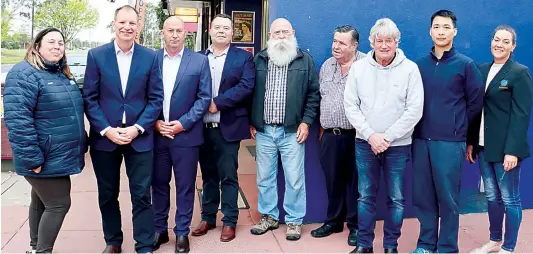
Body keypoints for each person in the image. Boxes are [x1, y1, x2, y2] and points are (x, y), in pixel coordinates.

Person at [83, 5, 164, 253]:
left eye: (132, 23)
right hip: (105, 139)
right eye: (122, 23)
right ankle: (113, 241)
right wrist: (107, 129)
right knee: (108, 194)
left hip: (139, 138)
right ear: (114, 24)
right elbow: (90, 98)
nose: (127, 27)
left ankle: (143, 244)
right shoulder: (96, 55)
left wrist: (138, 128)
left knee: (141, 195)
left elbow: (156, 99)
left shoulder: (150, 57)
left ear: (138, 26)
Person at [344, 18, 424, 253]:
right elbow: (350, 106)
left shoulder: (410, 69)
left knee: (397, 199)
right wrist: (371, 136)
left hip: (398, 146)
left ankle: (391, 246)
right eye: (380, 40)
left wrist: (387, 137)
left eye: (389, 40)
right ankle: (364, 245)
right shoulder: (359, 68)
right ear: (372, 42)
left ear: (397, 42)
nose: (385, 45)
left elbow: (414, 109)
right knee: (365, 196)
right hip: (365, 143)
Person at [3, 28, 87, 254]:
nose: (57, 46)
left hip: (58, 155)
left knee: (41, 202)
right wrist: (31, 158)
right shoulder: (24, 73)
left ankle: (35, 247)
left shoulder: (60, 73)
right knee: (59, 203)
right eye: (51, 42)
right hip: (42, 156)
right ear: (37, 46)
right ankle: (43, 251)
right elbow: (18, 120)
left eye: (61, 42)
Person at [411, 9, 484, 253]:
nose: (441, 31)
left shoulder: (465, 65)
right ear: (430, 31)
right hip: (420, 140)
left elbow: (475, 104)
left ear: (454, 31)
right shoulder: (418, 65)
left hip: (450, 143)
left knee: (448, 200)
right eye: (437, 27)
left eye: (446, 27)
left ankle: (447, 248)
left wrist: (465, 135)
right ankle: (425, 245)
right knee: (423, 198)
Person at [249, 18, 320, 241]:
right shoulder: (259, 59)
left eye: (285, 32)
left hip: (292, 132)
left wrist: (306, 122)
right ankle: (269, 217)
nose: (281, 36)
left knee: (295, 178)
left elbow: (313, 95)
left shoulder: (304, 60)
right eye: (277, 32)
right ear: (270, 35)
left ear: (293, 33)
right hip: (264, 131)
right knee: (264, 177)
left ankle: (294, 220)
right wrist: (252, 120)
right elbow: (250, 92)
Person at [467, 25, 532, 254]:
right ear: (491, 41)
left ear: (513, 46)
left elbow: (522, 114)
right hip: (485, 146)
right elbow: (476, 108)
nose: (499, 44)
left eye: (506, 41)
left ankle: (509, 246)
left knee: (510, 198)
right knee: (493, 197)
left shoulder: (519, 72)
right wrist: (472, 142)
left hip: (506, 149)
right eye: (496, 39)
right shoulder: (482, 70)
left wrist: (512, 150)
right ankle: (495, 240)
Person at [191, 14, 255, 242]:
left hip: (227, 127)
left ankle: (229, 220)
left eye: (226, 28)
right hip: (200, 128)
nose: (221, 31)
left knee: (228, 175)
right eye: (217, 27)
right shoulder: (197, 58)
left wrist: (216, 102)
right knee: (208, 175)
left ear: (232, 32)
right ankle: (208, 217)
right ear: (210, 29)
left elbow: (246, 86)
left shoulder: (244, 58)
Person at [151, 16, 211, 253]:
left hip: (186, 136)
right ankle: (159, 230)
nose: (174, 34)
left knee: (185, 185)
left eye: (179, 30)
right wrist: (155, 123)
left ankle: (182, 233)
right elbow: (143, 94)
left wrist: (183, 123)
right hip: (157, 135)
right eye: (170, 30)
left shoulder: (199, 61)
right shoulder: (151, 59)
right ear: (162, 33)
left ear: (186, 34)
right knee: (158, 184)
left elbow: (204, 97)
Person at [310, 25, 365, 246]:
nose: (336, 46)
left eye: (342, 43)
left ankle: (355, 225)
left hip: (357, 135)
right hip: (330, 136)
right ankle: (334, 221)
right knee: (333, 181)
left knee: (356, 182)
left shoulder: (366, 65)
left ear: (354, 45)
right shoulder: (327, 65)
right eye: (334, 41)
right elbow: (319, 96)